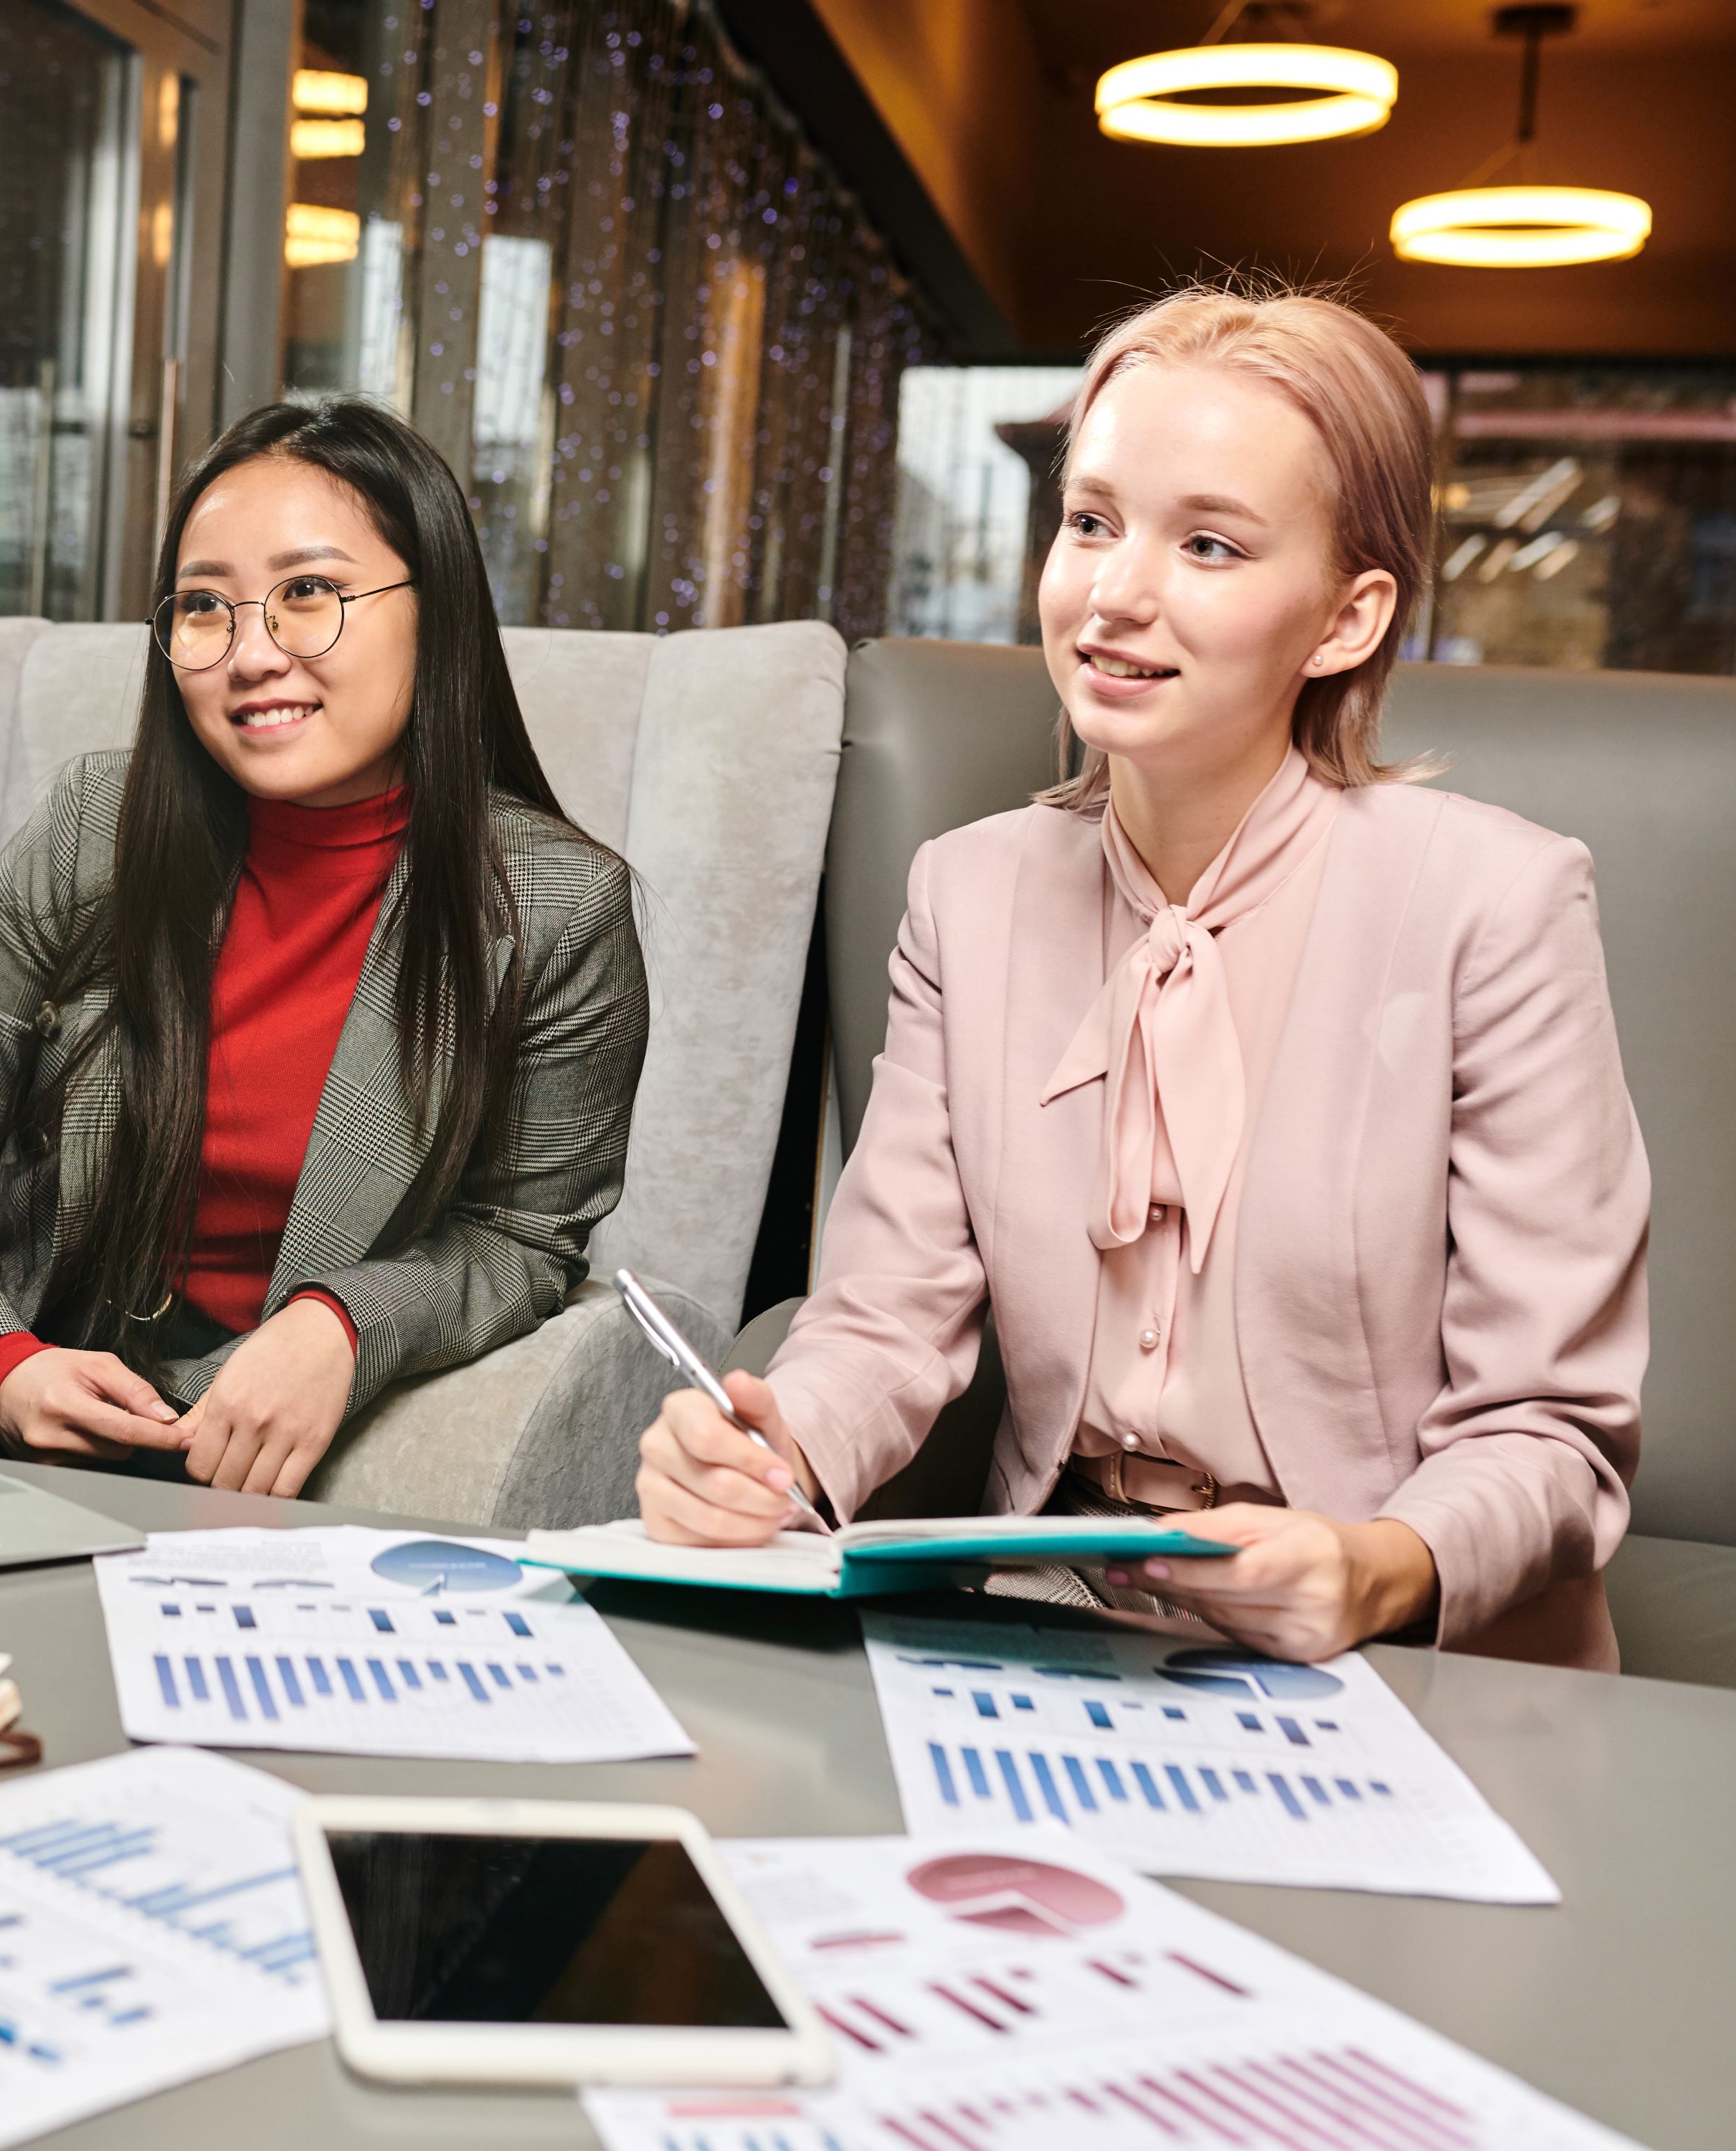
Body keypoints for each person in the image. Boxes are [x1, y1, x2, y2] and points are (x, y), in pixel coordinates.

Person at [633, 284, 1647, 1670]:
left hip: (1410, 1661)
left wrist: (1377, 1566)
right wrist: (776, 1450)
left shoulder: (1499, 903)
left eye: (1211, 544)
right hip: (1061, 1625)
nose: (1115, 592)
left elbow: (1554, 1430)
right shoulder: (966, 891)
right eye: (1092, 521)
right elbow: (881, 1318)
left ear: (1347, 622)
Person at [0, 398, 648, 1499]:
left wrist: (342, 1324)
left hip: (201, 1411)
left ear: (434, 614)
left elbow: (522, 1236)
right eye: (204, 608)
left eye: (309, 594)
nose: (251, 654)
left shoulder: (558, 912)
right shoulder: (94, 826)